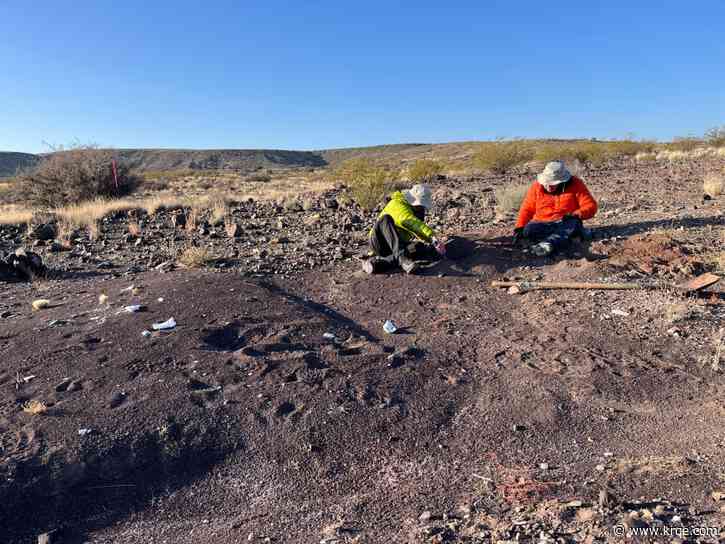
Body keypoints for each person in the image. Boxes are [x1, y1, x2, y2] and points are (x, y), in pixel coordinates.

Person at [513, 160, 598, 256]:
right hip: (542, 222)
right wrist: (519, 228)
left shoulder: (576, 184)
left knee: (571, 224)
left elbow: (591, 206)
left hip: (565, 221)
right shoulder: (536, 186)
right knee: (528, 230)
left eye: (552, 183)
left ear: (562, 181)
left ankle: (548, 245)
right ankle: (575, 235)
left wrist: (576, 214)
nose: (548, 186)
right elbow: (527, 209)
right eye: (546, 182)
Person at [362, 184, 446, 274]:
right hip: (379, 242)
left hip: (396, 247)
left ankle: (378, 264)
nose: (421, 208)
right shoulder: (397, 203)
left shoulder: (414, 210)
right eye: (420, 205)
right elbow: (409, 221)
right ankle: (403, 259)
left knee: (419, 246)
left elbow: (417, 229)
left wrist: (433, 242)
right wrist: (431, 236)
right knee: (385, 219)